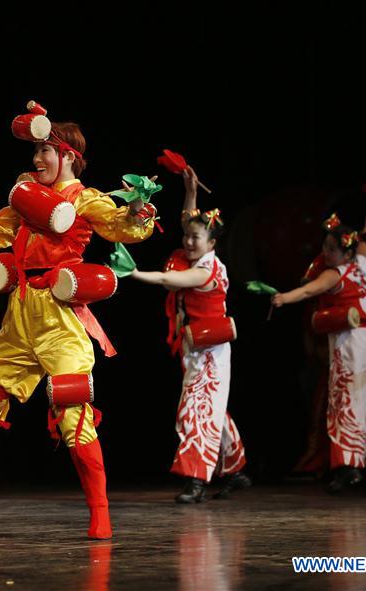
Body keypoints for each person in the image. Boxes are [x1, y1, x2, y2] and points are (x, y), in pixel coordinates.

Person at [0, 118, 156, 539]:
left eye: (45, 152)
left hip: (59, 315)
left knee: (72, 413)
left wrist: (138, 212)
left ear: (68, 156)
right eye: (35, 152)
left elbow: (122, 226)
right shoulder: (26, 197)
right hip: (19, 314)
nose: (37, 160)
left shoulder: (85, 199)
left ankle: (100, 510)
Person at [130, 166, 250, 503]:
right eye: (186, 236)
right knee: (212, 408)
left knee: (197, 410)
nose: (187, 241)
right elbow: (188, 220)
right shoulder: (196, 253)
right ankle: (236, 470)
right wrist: (191, 191)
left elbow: (171, 282)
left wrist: (135, 273)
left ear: (212, 244)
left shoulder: (208, 269)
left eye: (196, 238)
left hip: (212, 348)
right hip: (195, 343)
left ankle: (196, 480)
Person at [272, 180, 366, 493]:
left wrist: (284, 298)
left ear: (344, 251)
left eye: (330, 249)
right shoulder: (363, 259)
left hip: (351, 341)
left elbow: (311, 289)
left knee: (345, 401)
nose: (324, 253)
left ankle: (348, 468)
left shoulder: (334, 274)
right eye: (324, 246)